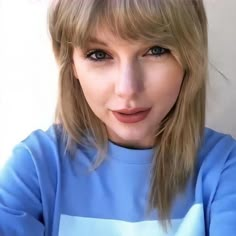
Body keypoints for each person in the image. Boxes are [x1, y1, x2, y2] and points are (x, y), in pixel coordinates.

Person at [0, 0, 236, 235]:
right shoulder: (36, 168)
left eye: (155, 51)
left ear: (189, 58)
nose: (127, 88)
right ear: (71, 63)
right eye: (99, 54)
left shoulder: (224, 168)